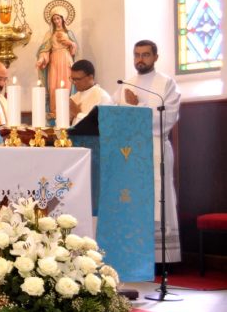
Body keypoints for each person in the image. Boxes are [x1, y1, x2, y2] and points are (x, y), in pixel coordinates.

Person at [113, 40, 182, 264]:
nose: (140, 59)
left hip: (156, 149)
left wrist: (137, 107)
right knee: (132, 199)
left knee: (159, 197)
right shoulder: (126, 84)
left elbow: (166, 119)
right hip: (130, 153)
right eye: (136, 55)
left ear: (155, 57)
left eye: (145, 55)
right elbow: (116, 118)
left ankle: (162, 259)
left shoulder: (166, 84)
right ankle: (135, 253)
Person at [36, 5, 79, 114]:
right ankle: (54, 111)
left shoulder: (69, 33)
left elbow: (74, 52)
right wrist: (41, 59)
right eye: (54, 19)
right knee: (53, 86)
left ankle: (67, 111)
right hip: (54, 60)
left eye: (58, 18)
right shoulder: (49, 34)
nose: (56, 21)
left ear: (63, 19)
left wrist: (69, 43)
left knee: (67, 84)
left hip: (66, 60)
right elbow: (44, 50)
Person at [69, 59, 113, 125]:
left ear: (90, 77)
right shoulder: (74, 97)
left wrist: (78, 114)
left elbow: (101, 125)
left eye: (78, 79)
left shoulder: (102, 98)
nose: (74, 83)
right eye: (72, 79)